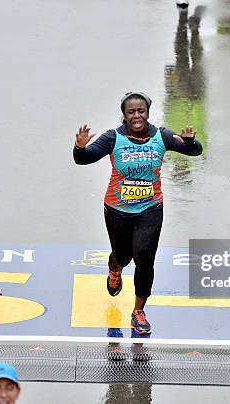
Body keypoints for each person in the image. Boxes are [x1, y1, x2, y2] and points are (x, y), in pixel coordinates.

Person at [73, 91, 203, 334]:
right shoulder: (113, 138)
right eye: (131, 112)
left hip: (150, 208)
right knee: (124, 257)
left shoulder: (161, 136)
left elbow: (195, 151)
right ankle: (115, 267)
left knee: (145, 257)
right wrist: (80, 147)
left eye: (141, 111)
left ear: (148, 113)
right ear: (124, 115)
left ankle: (138, 311)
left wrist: (189, 143)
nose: (137, 116)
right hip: (117, 210)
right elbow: (84, 159)